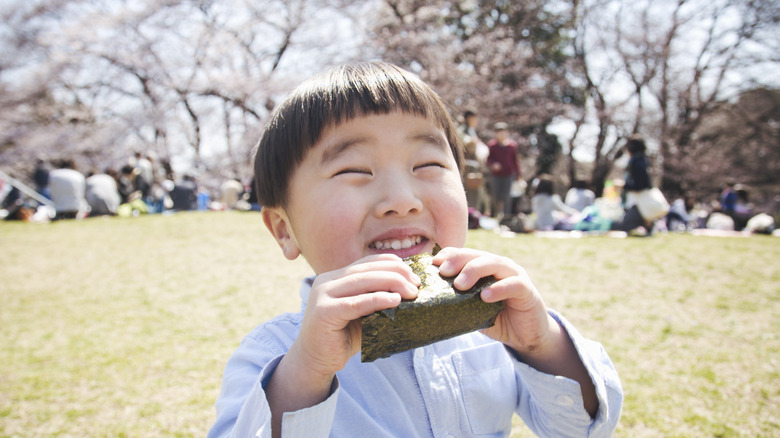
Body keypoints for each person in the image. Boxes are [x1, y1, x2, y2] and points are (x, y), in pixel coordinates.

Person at [208, 62, 622, 438]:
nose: (402, 199)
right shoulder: (274, 355)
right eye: (354, 170)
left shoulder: (491, 328)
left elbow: (584, 427)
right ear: (284, 229)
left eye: (428, 165)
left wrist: (542, 344)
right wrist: (306, 372)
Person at [611, 136, 654, 235]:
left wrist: (623, 185)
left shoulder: (637, 161)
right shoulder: (642, 160)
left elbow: (640, 185)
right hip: (637, 202)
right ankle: (647, 224)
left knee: (618, 227)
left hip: (638, 202)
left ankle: (647, 224)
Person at [486, 122, 522, 220]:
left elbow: (515, 160)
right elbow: (488, 159)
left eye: (503, 132)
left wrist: (519, 174)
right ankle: (495, 214)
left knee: (507, 196)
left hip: (509, 174)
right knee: (496, 195)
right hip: (496, 175)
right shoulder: (492, 145)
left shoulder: (512, 146)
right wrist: (493, 164)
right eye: (499, 132)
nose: (501, 134)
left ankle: (506, 216)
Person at [459, 110, 489, 213]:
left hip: (474, 165)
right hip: (467, 165)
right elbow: (462, 142)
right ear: (469, 118)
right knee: (469, 191)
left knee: (476, 191)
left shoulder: (471, 130)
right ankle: (470, 214)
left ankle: (474, 213)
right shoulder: (462, 130)